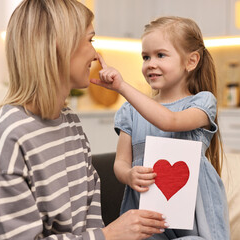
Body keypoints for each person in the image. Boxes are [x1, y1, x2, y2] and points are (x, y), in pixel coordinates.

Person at [0, 1, 168, 239]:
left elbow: (89, 220)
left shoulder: (70, 123)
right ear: (59, 46)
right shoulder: (6, 136)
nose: (95, 55)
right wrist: (109, 235)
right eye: (90, 40)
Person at [91, 16, 230, 239]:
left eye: (160, 55)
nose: (150, 63)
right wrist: (128, 175)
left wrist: (122, 86)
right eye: (145, 57)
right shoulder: (130, 111)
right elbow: (121, 161)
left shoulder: (202, 102)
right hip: (147, 209)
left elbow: (169, 121)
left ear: (191, 61)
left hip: (195, 210)